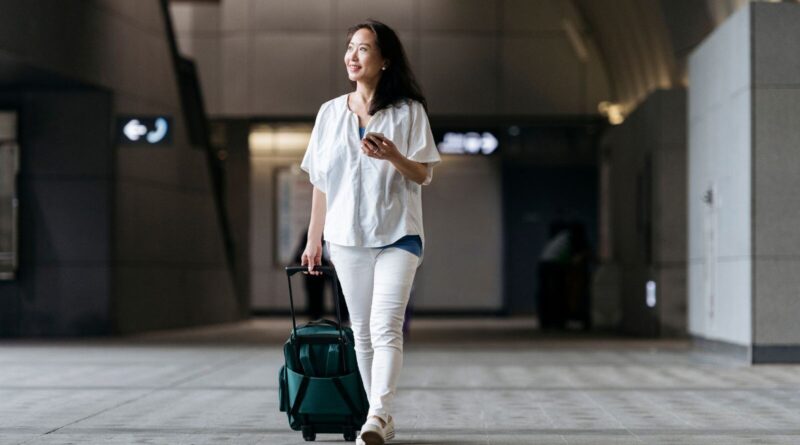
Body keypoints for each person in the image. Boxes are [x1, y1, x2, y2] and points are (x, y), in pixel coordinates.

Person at [299, 19, 441, 445]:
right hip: (345, 239)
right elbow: (321, 182)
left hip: (398, 235)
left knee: (385, 327)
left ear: (385, 60)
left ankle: (378, 415)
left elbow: (423, 175)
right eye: (350, 48)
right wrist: (313, 239)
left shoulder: (410, 112)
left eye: (363, 49)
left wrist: (395, 155)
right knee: (360, 331)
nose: (353, 56)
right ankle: (377, 414)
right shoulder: (329, 113)